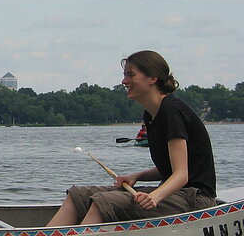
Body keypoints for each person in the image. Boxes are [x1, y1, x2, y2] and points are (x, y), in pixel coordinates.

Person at [47, 50, 216, 226]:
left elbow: (181, 175)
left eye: (131, 75)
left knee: (103, 203)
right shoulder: (151, 115)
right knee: (77, 196)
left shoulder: (171, 111)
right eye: (124, 75)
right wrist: (136, 176)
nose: (124, 81)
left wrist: (154, 196)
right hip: (176, 194)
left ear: (152, 78)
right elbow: (170, 167)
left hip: (195, 199)